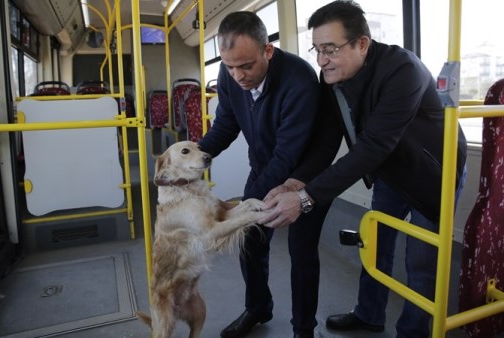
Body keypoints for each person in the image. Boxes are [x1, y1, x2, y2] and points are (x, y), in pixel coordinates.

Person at [259, 1, 468, 338]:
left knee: (422, 263)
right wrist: (297, 182)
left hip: (434, 175)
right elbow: (328, 138)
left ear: (361, 44)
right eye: (317, 49)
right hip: (390, 172)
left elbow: (373, 146)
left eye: (330, 49)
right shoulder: (332, 78)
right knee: (374, 245)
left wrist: (307, 199)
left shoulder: (403, 70)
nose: (321, 59)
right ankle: (369, 314)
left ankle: (412, 332)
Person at [197, 11, 340, 338]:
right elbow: (226, 124)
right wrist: (196, 157)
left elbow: (286, 156)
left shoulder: (299, 80)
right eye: (230, 66)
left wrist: (237, 209)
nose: (238, 75)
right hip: (265, 168)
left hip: (305, 177)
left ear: (268, 51)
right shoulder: (229, 71)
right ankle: (258, 307)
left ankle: (303, 330)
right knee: (250, 242)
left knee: (301, 252)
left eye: (246, 66)